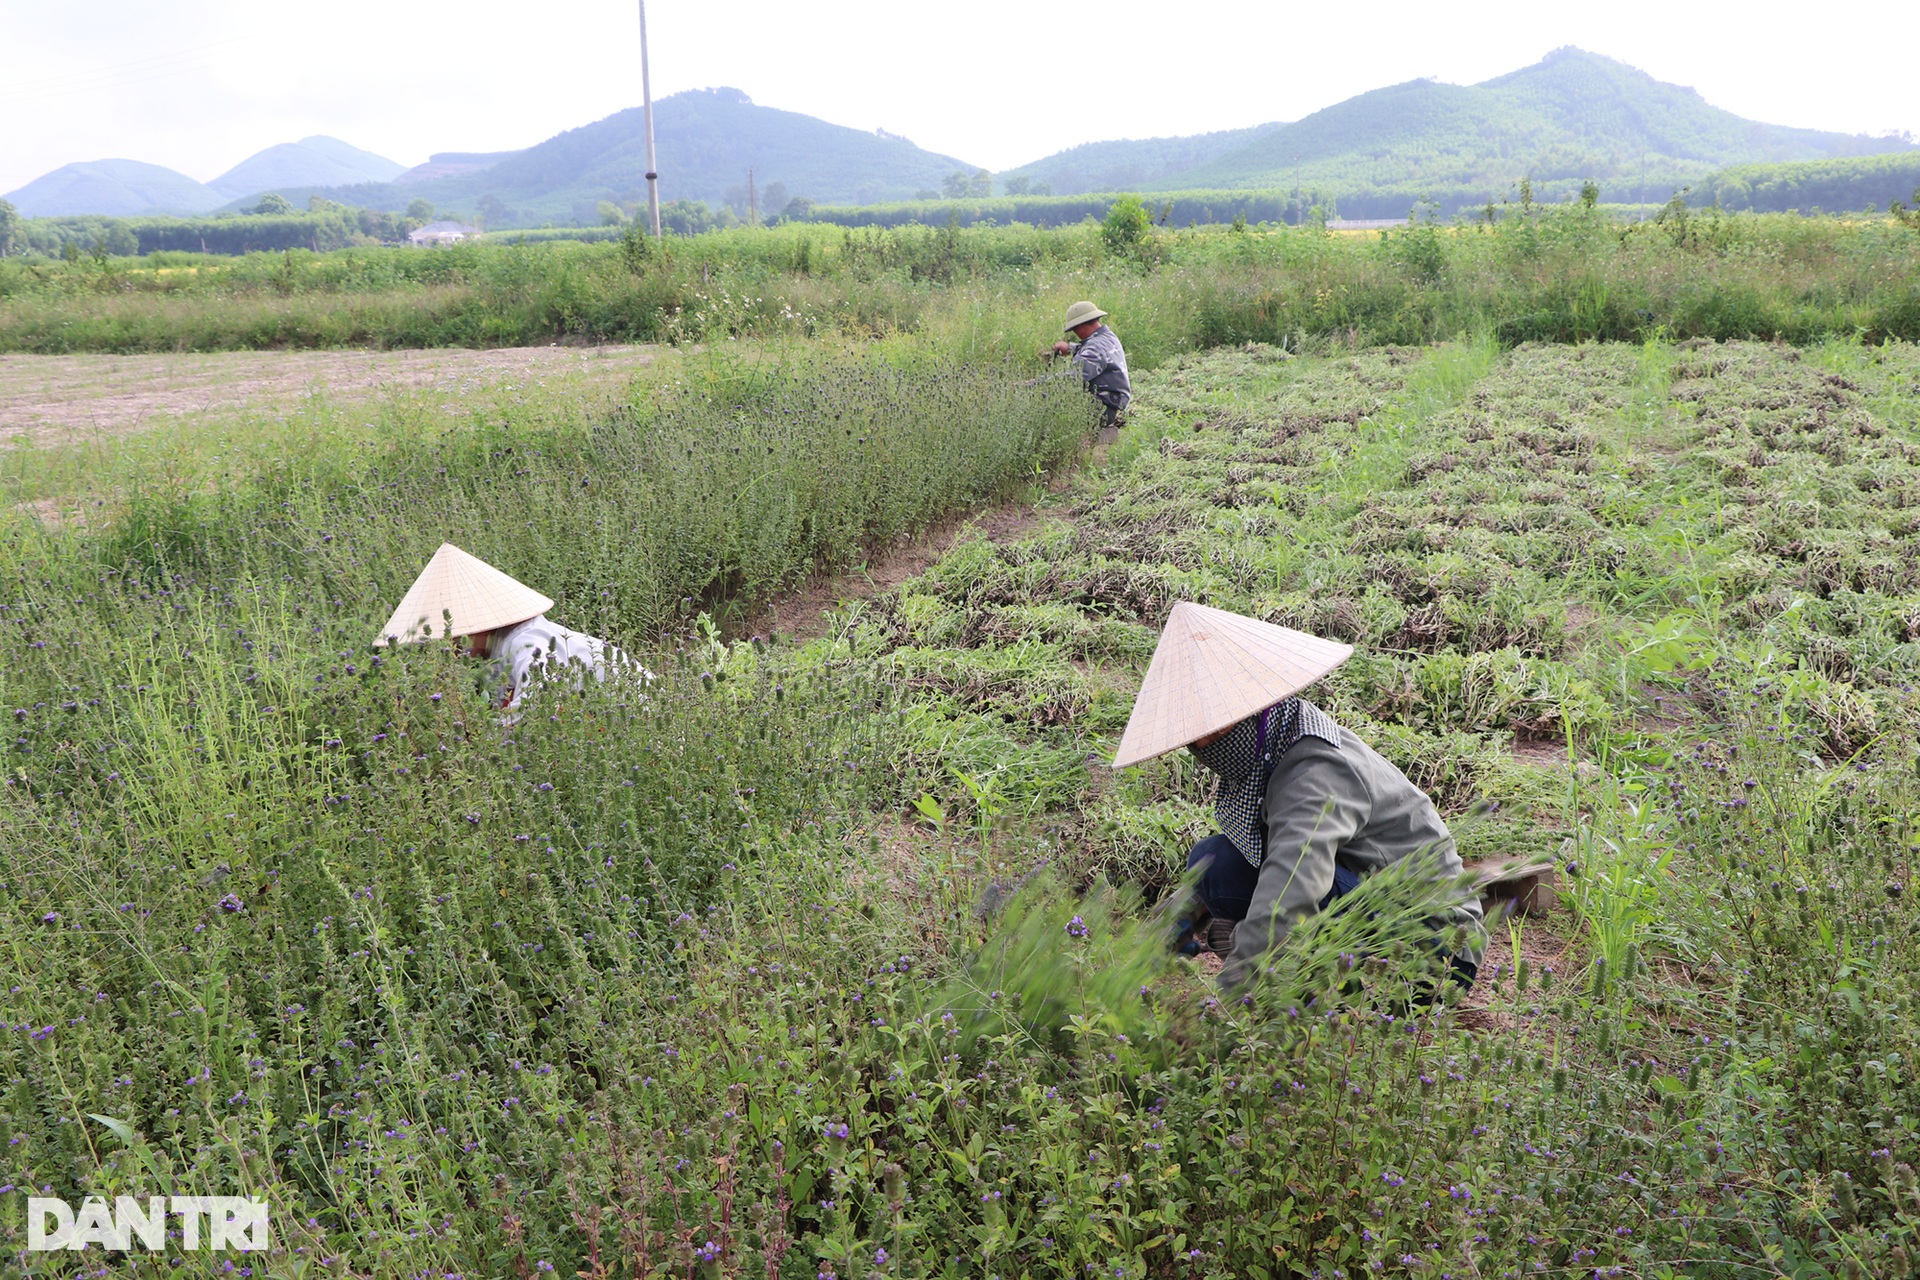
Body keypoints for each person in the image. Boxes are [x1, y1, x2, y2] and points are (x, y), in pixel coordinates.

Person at [1112, 601, 1484, 993]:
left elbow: (1294, 884)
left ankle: (1304, 986)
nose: (1204, 748)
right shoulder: (1273, 742)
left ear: (1250, 712)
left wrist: (1231, 998)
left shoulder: (1315, 769)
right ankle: (1278, 965)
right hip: (1366, 896)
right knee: (1215, 862)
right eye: (1195, 740)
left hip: (1433, 951)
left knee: (1288, 906)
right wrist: (1166, 929)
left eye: (1214, 733)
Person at [375, 542, 638, 722]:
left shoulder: (527, 641)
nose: (449, 647)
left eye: (454, 636)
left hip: (636, 719)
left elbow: (540, 701)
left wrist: (484, 745)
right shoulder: (492, 655)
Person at [1048, 300, 1131, 442]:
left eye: (1074, 329)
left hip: (1101, 407)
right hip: (1109, 404)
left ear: (1080, 326)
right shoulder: (1107, 337)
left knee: (1048, 407)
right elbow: (1091, 352)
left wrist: (1033, 385)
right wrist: (1071, 348)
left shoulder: (1095, 347)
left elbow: (1072, 378)